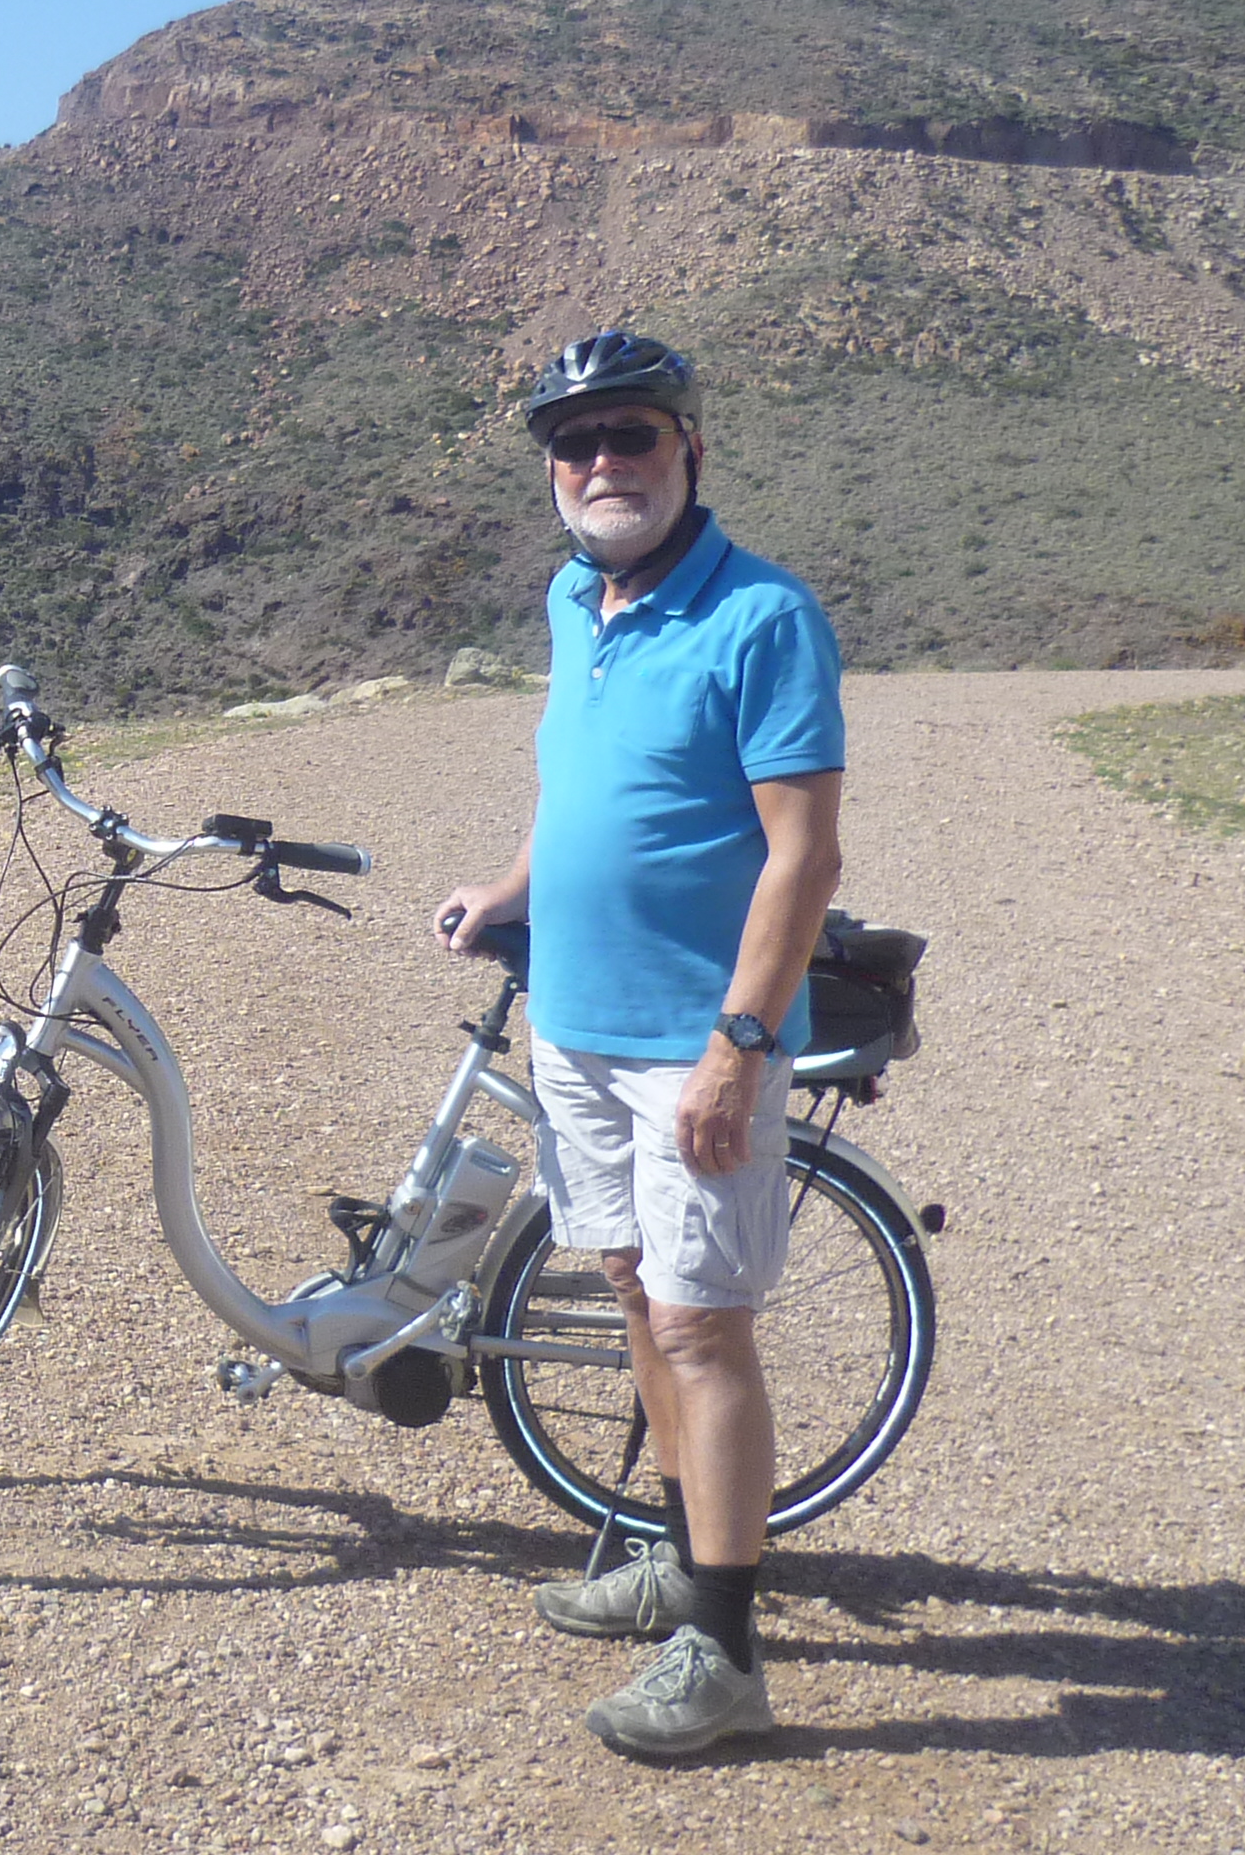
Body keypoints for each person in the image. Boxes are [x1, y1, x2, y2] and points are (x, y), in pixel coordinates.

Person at [433, 330, 845, 1758]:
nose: (603, 462)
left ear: (691, 453)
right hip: (577, 1024)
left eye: (633, 436)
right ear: (553, 472)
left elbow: (803, 856)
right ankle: (680, 1558)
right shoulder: (576, 597)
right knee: (628, 1287)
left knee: (699, 1329)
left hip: (691, 1041)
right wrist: (514, 886)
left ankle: (724, 1653)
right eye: (576, 444)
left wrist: (739, 1045)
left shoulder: (766, 618)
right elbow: (582, 778)